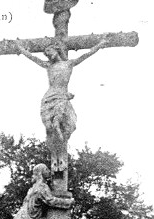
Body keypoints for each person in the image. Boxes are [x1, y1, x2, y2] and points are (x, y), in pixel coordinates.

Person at [16, 37, 111, 170]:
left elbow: (86, 55)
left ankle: (61, 156)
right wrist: (21, 49)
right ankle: (55, 157)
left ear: (57, 50)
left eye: (49, 51)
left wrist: (100, 45)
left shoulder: (69, 64)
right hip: (49, 99)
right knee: (50, 130)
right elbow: (33, 58)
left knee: (60, 125)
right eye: (46, 53)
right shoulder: (48, 66)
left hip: (61, 97)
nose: (47, 54)